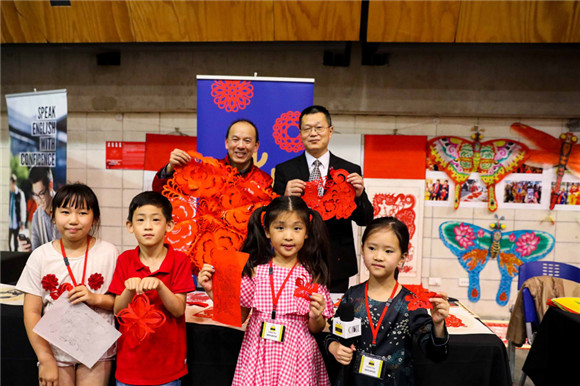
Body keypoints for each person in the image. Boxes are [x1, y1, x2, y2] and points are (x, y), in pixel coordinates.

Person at [198, 196, 335, 385]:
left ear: (306, 233)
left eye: (297, 228)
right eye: (280, 228)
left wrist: (316, 316)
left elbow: (316, 328)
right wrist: (212, 292)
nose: (288, 236)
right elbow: (239, 317)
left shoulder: (312, 274)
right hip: (257, 351)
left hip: (297, 353)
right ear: (267, 231)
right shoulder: (254, 270)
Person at [16, 183, 119, 386]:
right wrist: (45, 359)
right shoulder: (41, 256)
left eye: (82, 212)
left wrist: (95, 298)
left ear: (95, 217)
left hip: (97, 352)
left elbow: (122, 304)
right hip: (55, 352)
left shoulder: (109, 252)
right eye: (65, 212)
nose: (73, 220)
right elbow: (32, 312)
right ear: (53, 216)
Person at [326, 217, 449, 386]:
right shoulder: (352, 296)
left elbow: (436, 353)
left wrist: (438, 325)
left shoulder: (410, 303)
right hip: (354, 380)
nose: (378, 256)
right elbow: (333, 334)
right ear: (362, 250)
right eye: (372, 248)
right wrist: (334, 347)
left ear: (402, 258)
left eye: (388, 251)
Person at [273, 105, 374, 292]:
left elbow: (365, 219)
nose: (313, 133)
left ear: (330, 131)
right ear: (300, 133)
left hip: (337, 261)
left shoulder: (349, 170)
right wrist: (283, 196)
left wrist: (359, 196)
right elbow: (272, 218)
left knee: (332, 316)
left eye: (318, 128)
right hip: (295, 256)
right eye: (307, 129)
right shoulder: (285, 170)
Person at [109, 191, 195, 386]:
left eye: (156, 220)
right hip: (129, 367)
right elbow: (117, 311)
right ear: (130, 226)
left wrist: (161, 286)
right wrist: (128, 291)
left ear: (169, 226)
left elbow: (178, 309)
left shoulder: (180, 260)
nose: (148, 226)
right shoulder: (124, 260)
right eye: (140, 220)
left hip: (168, 368)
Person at [152, 119, 272, 192]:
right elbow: (162, 193)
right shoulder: (207, 171)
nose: (240, 146)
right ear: (226, 143)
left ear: (256, 147)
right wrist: (169, 169)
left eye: (247, 141)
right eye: (235, 139)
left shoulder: (264, 181)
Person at [20, 167, 61, 251]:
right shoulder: (36, 216)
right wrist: (29, 249)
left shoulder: (65, 208)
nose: (38, 200)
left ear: (50, 186)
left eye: (41, 193)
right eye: (35, 195)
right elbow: (36, 251)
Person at [9, 173, 27, 251]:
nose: (11, 185)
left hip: (16, 222)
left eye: (12, 183)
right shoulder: (8, 193)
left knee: (16, 243)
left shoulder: (20, 193)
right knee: (8, 242)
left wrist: (23, 222)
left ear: (14, 183)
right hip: (8, 222)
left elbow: (23, 208)